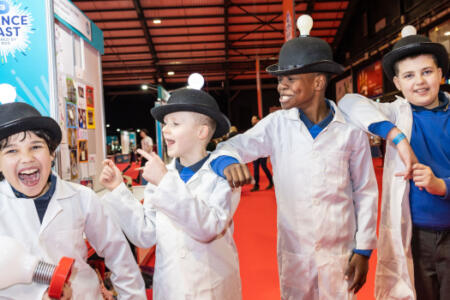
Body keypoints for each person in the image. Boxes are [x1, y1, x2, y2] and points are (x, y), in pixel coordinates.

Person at [213, 15, 378, 299]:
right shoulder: (276, 126)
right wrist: (227, 161)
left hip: (339, 253)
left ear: (317, 82)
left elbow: (365, 191)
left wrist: (363, 250)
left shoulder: (349, 132)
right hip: (295, 254)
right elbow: (231, 146)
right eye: (280, 79)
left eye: (290, 78)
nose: (280, 86)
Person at [338, 25, 449, 300]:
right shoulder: (396, 114)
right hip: (415, 236)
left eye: (426, 72)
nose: (419, 82)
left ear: (441, 74)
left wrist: (442, 185)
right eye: (409, 75)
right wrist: (396, 136)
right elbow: (348, 102)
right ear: (397, 83)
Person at [99, 87, 242, 300]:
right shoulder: (163, 174)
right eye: (165, 123)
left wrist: (165, 181)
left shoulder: (222, 174)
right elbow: (145, 234)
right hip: (171, 288)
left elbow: (208, 227)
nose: (165, 130)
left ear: (201, 132)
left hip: (211, 287)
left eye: (175, 124)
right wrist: (118, 190)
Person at [0, 102, 146, 300]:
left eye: (35, 147)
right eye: (11, 151)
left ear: (52, 154)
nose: (26, 158)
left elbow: (119, 255)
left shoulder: (82, 198)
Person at [249, 116, 274, 191]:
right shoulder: (252, 129)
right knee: (255, 168)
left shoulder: (263, 127)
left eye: (254, 119)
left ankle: (271, 182)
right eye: (252, 120)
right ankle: (256, 186)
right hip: (255, 151)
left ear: (258, 120)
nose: (253, 121)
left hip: (263, 151)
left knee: (264, 166)